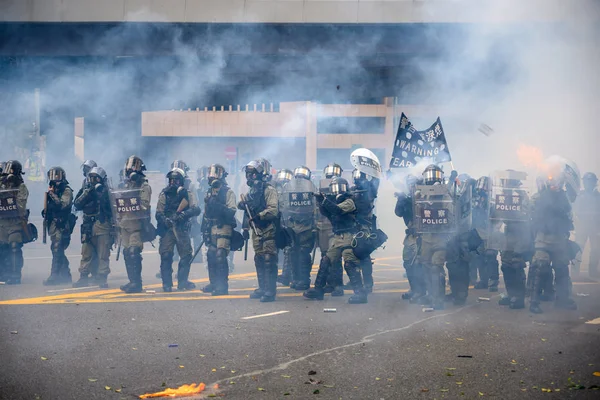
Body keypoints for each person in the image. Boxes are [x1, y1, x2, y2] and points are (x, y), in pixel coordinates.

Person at [304, 176, 367, 304]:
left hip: (349, 236)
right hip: (338, 237)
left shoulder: (349, 201)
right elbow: (328, 213)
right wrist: (320, 202)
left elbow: (337, 211)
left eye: (340, 187)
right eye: (335, 188)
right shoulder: (334, 201)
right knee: (326, 260)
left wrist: (325, 200)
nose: (338, 191)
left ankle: (360, 293)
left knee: (350, 263)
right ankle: (318, 290)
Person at [529, 165, 577, 313]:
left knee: (562, 269)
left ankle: (562, 300)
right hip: (543, 239)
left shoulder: (564, 197)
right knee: (540, 268)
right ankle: (534, 302)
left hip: (559, 239)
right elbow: (531, 215)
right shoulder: (538, 197)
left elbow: (569, 215)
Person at [238, 159, 279, 302]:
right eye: (248, 174)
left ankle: (270, 291)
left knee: (269, 259)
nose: (249, 177)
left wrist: (259, 216)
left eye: (252, 174)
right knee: (259, 258)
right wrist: (245, 227)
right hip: (256, 231)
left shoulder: (269, 190)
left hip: (268, 228)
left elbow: (273, 210)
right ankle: (262, 287)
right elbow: (247, 212)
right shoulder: (252, 192)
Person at [156, 167, 200, 292]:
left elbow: (196, 209)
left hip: (181, 228)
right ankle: (167, 284)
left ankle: (182, 282)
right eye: (171, 180)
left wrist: (183, 215)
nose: (173, 183)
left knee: (186, 255)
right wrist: (165, 220)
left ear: (181, 181)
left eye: (176, 180)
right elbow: (158, 212)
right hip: (168, 229)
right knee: (166, 255)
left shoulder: (187, 194)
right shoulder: (164, 194)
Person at [493, 172, 532, 309]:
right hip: (508, 233)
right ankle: (511, 294)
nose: (504, 185)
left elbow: (526, 214)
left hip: (520, 233)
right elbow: (498, 213)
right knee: (506, 265)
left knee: (516, 264)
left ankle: (519, 298)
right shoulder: (504, 196)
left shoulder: (521, 195)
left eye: (506, 182)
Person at [117, 155, 153, 293]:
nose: (131, 169)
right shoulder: (125, 185)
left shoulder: (144, 186)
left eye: (135, 166)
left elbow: (144, 205)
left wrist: (129, 197)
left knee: (133, 252)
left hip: (137, 225)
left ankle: (137, 283)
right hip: (125, 224)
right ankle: (132, 281)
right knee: (127, 253)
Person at [73, 166, 112, 288]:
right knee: (86, 252)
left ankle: (102, 277)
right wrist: (88, 192)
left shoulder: (107, 191)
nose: (93, 180)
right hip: (88, 225)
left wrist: (102, 194)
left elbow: (111, 208)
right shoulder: (85, 190)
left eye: (96, 178)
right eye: (91, 178)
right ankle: (83, 276)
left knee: (103, 253)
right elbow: (77, 204)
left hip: (102, 224)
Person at [201, 164, 237, 295]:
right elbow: (206, 213)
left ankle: (222, 286)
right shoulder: (209, 193)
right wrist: (204, 229)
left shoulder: (228, 192)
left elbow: (232, 211)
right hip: (212, 228)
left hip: (224, 227)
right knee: (211, 254)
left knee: (220, 255)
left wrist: (218, 205)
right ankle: (213, 283)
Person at [281, 166, 317, 291]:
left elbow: (316, 205)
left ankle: (304, 280)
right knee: (292, 252)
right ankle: (295, 279)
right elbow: (282, 204)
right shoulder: (287, 188)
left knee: (303, 252)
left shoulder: (312, 187)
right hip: (292, 224)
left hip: (306, 224)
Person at [395, 174, 425, 303]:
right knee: (408, 261)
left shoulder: (425, 195)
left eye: (413, 184)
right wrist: (401, 199)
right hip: (411, 234)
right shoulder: (406, 197)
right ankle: (414, 289)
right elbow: (398, 212)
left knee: (419, 263)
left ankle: (422, 291)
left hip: (424, 234)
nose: (411, 186)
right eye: (409, 184)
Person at [42, 167, 75, 285]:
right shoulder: (53, 191)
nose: (54, 180)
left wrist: (52, 194)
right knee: (56, 249)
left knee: (57, 247)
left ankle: (54, 275)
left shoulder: (66, 190)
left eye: (57, 177)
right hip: (53, 224)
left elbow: (63, 205)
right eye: (52, 177)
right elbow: (50, 207)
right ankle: (65, 274)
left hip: (62, 224)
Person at [351, 168, 380, 293]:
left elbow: (376, 182)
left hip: (364, 225)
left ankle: (368, 283)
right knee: (352, 254)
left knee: (364, 255)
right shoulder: (352, 190)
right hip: (353, 225)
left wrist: (373, 171)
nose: (358, 178)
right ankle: (357, 281)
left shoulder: (369, 190)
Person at [0, 160, 29, 285]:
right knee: (3, 247)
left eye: (10, 170)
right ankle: (4, 273)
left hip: (15, 222)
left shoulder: (21, 187)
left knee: (14, 247)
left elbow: (21, 206)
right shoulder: (2, 184)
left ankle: (15, 274)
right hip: (2, 222)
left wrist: (11, 192)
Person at [573, 172, 600, 279]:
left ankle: (593, 272)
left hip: (595, 228)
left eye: (591, 181)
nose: (589, 183)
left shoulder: (598, 196)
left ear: (594, 183)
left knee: (596, 250)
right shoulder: (579, 195)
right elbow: (574, 211)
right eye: (587, 181)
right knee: (577, 250)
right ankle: (575, 273)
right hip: (582, 227)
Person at [273, 169, 294, 286]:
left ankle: (286, 275)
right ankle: (273, 275)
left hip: (289, 222)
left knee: (289, 250)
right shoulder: (273, 191)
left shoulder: (293, 191)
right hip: (277, 223)